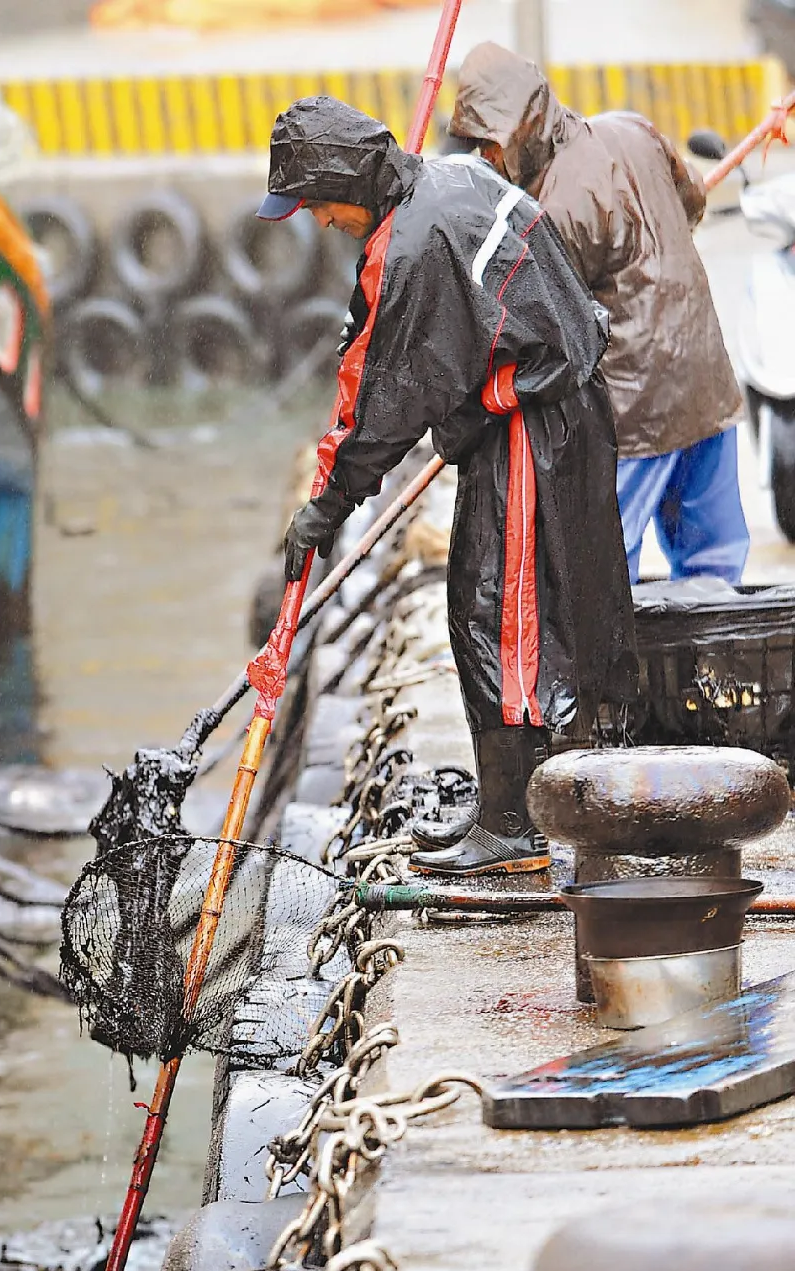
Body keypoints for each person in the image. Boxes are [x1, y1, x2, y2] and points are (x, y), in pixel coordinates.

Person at [259, 95, 636, 877]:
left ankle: (515, 826)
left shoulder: (418, 243)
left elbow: (385, 404)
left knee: (502, 619)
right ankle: (511, 808)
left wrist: (328, 506)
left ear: (345, 183)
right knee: (486, 603)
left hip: (538, 429)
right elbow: (385, 336)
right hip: (532, 416)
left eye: (317, 204)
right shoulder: (446, 179)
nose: (319, 222)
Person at [450, 42, 749, 586]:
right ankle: (719, 667)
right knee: (715, 569)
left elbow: (545, 327)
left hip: (636, 413)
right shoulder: (633, 128)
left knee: (605, 572)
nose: (486, 161)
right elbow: (692, 204)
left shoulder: (551, 210)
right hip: (706, 379)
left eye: (488, 146)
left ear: (521, 129)